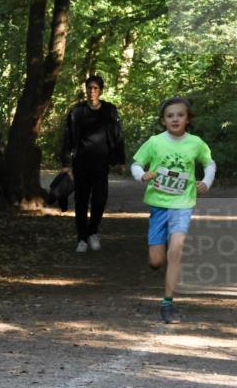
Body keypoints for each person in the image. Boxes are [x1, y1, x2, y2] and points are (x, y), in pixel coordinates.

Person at [130, 96, 216, 324]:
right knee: (156, 261)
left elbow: (209, 163)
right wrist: (142, 175)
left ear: (188, 119)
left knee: (176, 249)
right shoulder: (155, 142)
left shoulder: (196, 143)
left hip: (183, 204)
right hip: (159, 205)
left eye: (180, 115)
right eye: (170, 116)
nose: (175, 119)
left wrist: (206, 181)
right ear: (163, 120)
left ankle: (167, 303)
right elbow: (136, 163)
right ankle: (160, 262)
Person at [60, 75, 126, 253]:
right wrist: (66, 163)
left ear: (101, 90)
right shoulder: (77, 111)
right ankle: (81, 238)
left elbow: (117, 135)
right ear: (85, 89)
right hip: (81, 162)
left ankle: (93, 232)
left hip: (101, 163)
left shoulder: (109, 110)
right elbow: (68, 136)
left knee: (99, 199)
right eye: (89, 88)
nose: (92, 91)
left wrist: (120, 160)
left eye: (95, 88)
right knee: (81, 201)